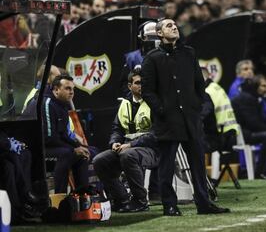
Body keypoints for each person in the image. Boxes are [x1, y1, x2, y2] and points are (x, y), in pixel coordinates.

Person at [141, 18, 230, 216]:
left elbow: (199, 83)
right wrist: (162, 110)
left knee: (198, 164)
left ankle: (204, 203)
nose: (174, 27)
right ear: (160, 33)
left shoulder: (189, 53)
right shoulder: (152, 58)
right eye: (168, 26)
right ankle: (169, 205)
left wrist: (196, 107)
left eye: (175, 25)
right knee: (166, 166)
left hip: (191, 119)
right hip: (168, 121)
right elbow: (148, 91)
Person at [93, 68, 159, 213]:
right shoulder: (124, 104)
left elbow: (156, 134)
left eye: (144, 83)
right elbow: (117, 128)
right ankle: (121, 198)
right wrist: (114, 142)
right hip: (127, 148)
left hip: (153, 150)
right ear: (130, 86)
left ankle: (140, 200)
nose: (142, 86)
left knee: (127, 155)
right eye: (138, 83)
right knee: (99, 160)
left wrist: (130, 144)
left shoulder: (155, 102)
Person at [41, 75, 92, 193]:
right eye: (67, 88)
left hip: (53, 146)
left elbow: (63, 134)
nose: (71, 92)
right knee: (67, 153)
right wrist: (73, 149)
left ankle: (82, 196)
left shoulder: (62, 104)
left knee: (83, 154)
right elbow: (49, 138)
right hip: (39, 149)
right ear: (56, 89)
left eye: (73, 89)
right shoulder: (47, 103)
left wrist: (77, 147)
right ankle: (60, 198)